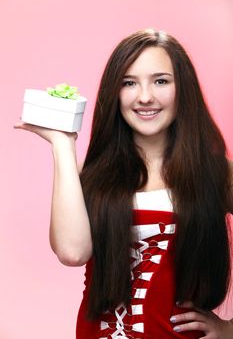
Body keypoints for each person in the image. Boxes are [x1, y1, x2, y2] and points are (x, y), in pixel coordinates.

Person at [14, 28, 233, 338]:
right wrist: (63, 145)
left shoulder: (216, 173)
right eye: (129, 83)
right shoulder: (89, 177)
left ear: (183, 88)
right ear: (114, 93)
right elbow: (72, 253)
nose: (145, 97)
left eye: (161, 81)